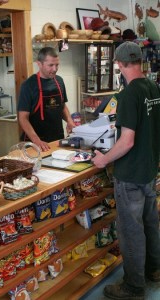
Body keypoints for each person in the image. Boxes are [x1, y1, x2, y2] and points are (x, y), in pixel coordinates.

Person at [92, 41, 160, 300]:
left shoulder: (130, 93)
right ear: (140, 61)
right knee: (150, 224)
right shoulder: (152, 86)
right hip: (149, 168)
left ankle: (133, 287)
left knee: (131, 232)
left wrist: (104, 160)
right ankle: (154, 271)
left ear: (119, 64)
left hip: (130, 173)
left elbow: (127, 140)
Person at [17, 46, 75, 151]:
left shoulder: (59, 81)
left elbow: (62, 106)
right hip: (34, 143)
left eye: (57, 65)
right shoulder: (28, 85)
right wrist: (36, 140)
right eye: (50, 65)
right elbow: (23, 117)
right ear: (39, 64)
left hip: (57, 139)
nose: (55, 69)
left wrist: (69, 121)